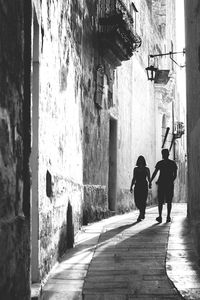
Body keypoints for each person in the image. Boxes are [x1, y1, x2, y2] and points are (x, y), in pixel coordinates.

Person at [150, 148, 177, 223]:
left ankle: (160, 216)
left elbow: (155, 173)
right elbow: (175, 175)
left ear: (163, 155)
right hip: (169, 184)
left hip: (161, 184)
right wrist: (171, 181)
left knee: (160, 201)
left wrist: (150, 181)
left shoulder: (160, 163)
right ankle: (168, 216)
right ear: (168, 154)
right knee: (169, 201)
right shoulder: (172, 163)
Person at [130, 156, 151, 222]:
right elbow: (134, 178)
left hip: (144, 186)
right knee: (137, 201)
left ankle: (141, 214)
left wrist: (150, 184)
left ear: (144, 161)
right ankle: (142, 212)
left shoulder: (146, 169)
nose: (140, 161)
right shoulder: (135, 169)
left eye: (142, 160)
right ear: (138, 161)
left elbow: (149, 178)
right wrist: (131, 186)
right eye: (139, 160)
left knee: (143, 200)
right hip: (137, 186)